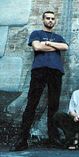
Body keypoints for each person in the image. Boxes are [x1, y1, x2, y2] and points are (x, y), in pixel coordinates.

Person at [10, 11, 68, 151]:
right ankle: (22, 140)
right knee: (32, 104)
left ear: (55, 21)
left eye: (52, 19)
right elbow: (37, 47)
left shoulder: (59, 36)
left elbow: (65, 47)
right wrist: (54, 46)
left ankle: (52, 138)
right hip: (39, 71)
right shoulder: (36, 33)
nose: (50, 20)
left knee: (53, 105)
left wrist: (46, 43)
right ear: (43, 20)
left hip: (56, 72)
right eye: (47, 18)